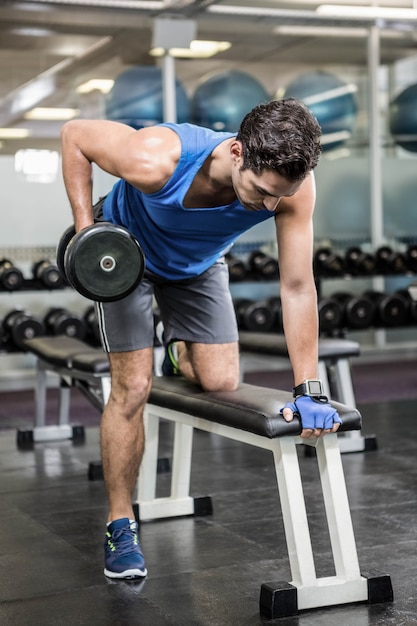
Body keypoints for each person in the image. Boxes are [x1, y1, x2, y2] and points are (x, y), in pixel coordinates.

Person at [60, 97, 341, 581]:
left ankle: (177, 346)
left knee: (221, 380)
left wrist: (308, 386)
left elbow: (297, 287)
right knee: (133, 387)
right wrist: (90, 235)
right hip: (127, 254)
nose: (270, 205)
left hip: (198, 266)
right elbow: (75, 136)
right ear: (237, 153)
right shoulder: (156, 158)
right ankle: (120, 522)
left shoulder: (292, 189)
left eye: (281, 195)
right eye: (261, 191)